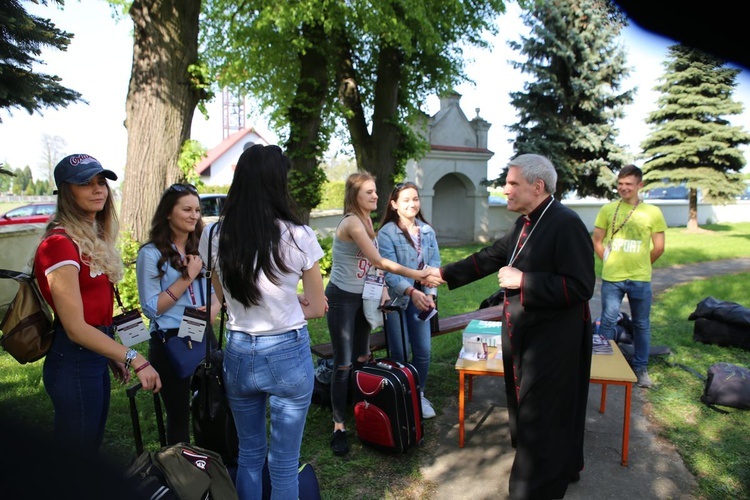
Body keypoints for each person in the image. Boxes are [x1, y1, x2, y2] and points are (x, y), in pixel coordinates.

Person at [426, 154, 595, 499]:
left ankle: (531, 489)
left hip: (555, 342)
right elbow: (490, 256)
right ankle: (561, 467)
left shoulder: (566, 223)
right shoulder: (525, 223)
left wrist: (525, 281)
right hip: (528, 337)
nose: (505, 189)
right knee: (533, 411)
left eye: (513, 183)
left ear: (538, 186)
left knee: (542, 417)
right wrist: (443, 274)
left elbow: (580, 286)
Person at [199, 144, 326, 499]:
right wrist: (293, 300)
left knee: (249, 456)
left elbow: (223, 297)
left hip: (239, 351)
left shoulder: (213, 234)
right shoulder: (298, 234)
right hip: (287, 350)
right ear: (277, 181)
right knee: (284, 463)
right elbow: (316, 307)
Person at [35, 154, 161, 453]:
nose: (98, 190)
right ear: (67, 192)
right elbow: (76, 328)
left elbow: (92, 313)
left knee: (87, 454)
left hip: (90, 355)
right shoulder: (59, 245)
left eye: (101, 182)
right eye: (85, 183)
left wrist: (108, 353)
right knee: (74, 465)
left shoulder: (87, 239)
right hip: (73, 359)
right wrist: (135, 357)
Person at [326, 172, 440, 456]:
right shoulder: (352, 222)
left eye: (376, 192)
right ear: (354, 195)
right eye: (369, 192)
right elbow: (378, 260)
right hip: (342, 299)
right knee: (343, 364)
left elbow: (371, 267)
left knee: (363, 357)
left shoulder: (367, 222)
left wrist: (383, 291)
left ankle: (363, 410)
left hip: (364, 296)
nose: (375, 196)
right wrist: (418, 275)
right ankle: (339, 426)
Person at [136, 183, 218, 444]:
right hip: (171, 341)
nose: (194, 215)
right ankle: (182, 477)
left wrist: (214, 309)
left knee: (214, 407)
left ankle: (215, 468)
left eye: (197, 210)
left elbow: (219, 290)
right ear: (168, 213)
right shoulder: (150, 254)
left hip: (204, 334)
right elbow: (152, 307)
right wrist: (187, 276)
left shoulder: (203, 248)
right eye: (187, 209)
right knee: (179, 417)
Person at [592, 164, 666, 388]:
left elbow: (659, 247)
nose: (624, 188)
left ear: (639, 185)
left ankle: (641, 369)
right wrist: (608, 259)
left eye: (629, 184)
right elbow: (597, 240)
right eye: (620, 184)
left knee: (642, 324)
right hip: (612, 278)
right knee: (607, 320)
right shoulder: (608, 210)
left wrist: (642, 264)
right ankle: (602, 364)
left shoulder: (652, 212)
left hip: (640, 279)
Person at [376, 181, 441, 419]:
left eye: (415, 199)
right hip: (396, 301)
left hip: (422, 299)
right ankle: (401, 397)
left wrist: (430, 296)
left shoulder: (427, 231)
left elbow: (434, 265)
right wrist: (412, 292)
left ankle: (418, 394)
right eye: (406, 200)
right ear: (394, 204)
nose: (412, 204)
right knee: (400, 353)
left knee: (423, 351)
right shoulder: (386, 233)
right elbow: (389, 273)